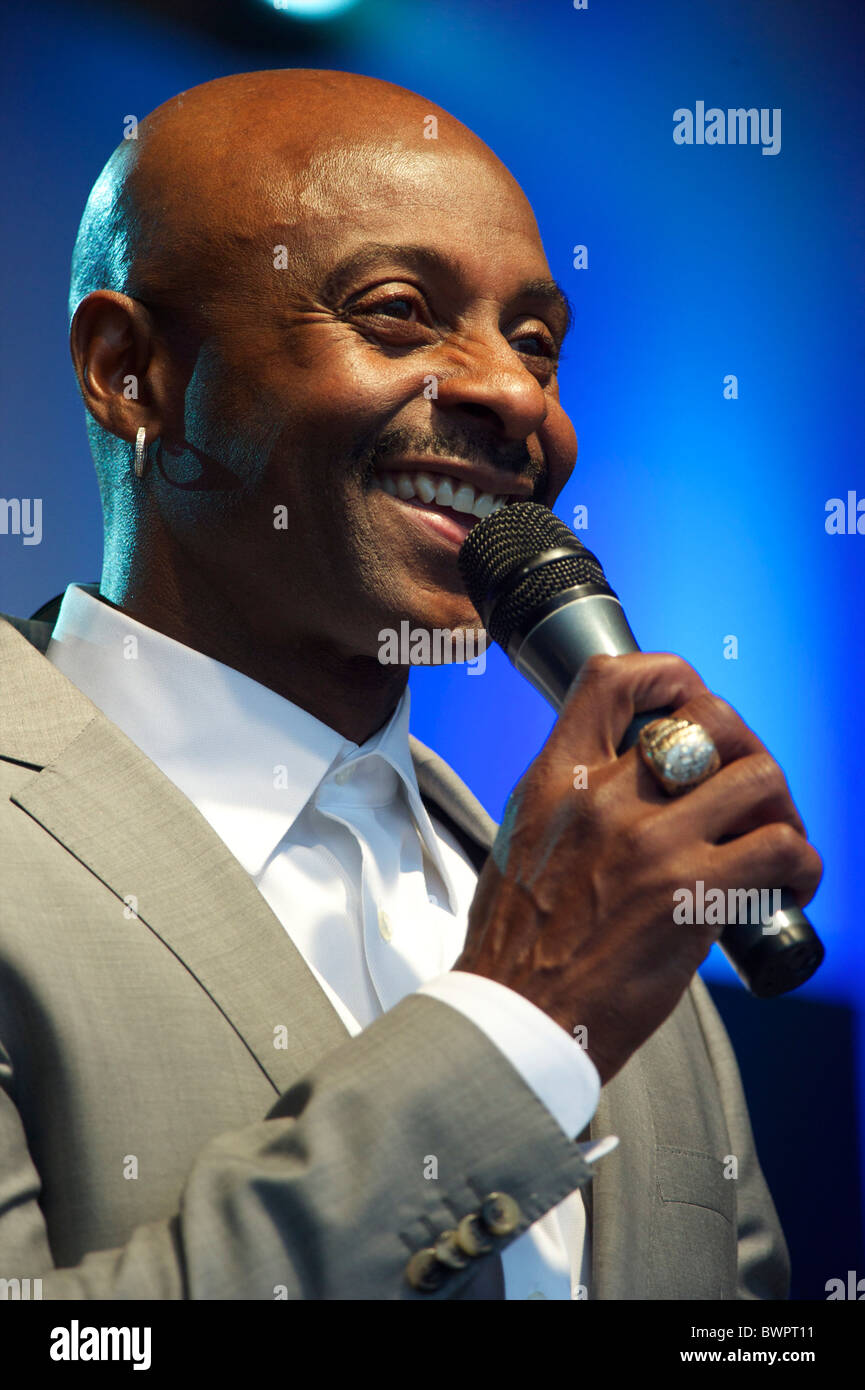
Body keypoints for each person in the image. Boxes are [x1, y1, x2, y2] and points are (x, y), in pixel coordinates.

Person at [0, 69, 820, 1300]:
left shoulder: (608, 930)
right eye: (398, 313)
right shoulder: (560, 957)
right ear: (133, 372)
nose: (511, 394)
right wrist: (516, 1023)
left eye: (536, 342)